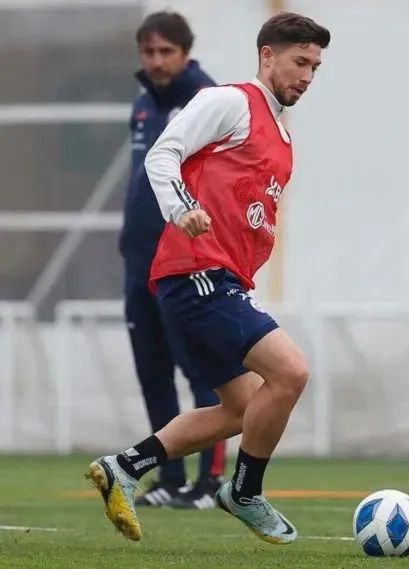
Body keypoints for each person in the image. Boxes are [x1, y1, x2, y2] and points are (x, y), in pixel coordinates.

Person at [85, 11, 331, 544]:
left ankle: (124, 467)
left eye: (315, 66)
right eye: (299, 62)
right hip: (196, 274)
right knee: (290, 373)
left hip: (220, 282)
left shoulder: (283, 138)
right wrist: (182, 210)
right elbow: (162, 154)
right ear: (267, 55)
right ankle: (244, 492)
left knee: (240, 409)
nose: (307, 76)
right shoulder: (230, 101)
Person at [120, 10, 227, 511]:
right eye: (149, 52)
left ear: (186, 53)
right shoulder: (144, 106)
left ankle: (210, 482)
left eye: (167, 52)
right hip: (138, 262)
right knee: (153, 373)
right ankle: (169, 477)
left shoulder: (205, 101)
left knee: (204, 372)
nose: (157, 61)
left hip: (183, 265)